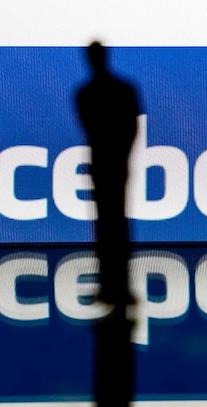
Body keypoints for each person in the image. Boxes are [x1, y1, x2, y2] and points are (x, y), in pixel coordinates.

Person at [76, 42, 140, 305]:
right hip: (114, 162)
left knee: (106, 225)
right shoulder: (123, 89)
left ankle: (111, 284)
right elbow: (131, 128)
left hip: (105, 162)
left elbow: (93, 130)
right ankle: (120, 285)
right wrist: (123, 154)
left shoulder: (85, 93)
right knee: (116, 224)